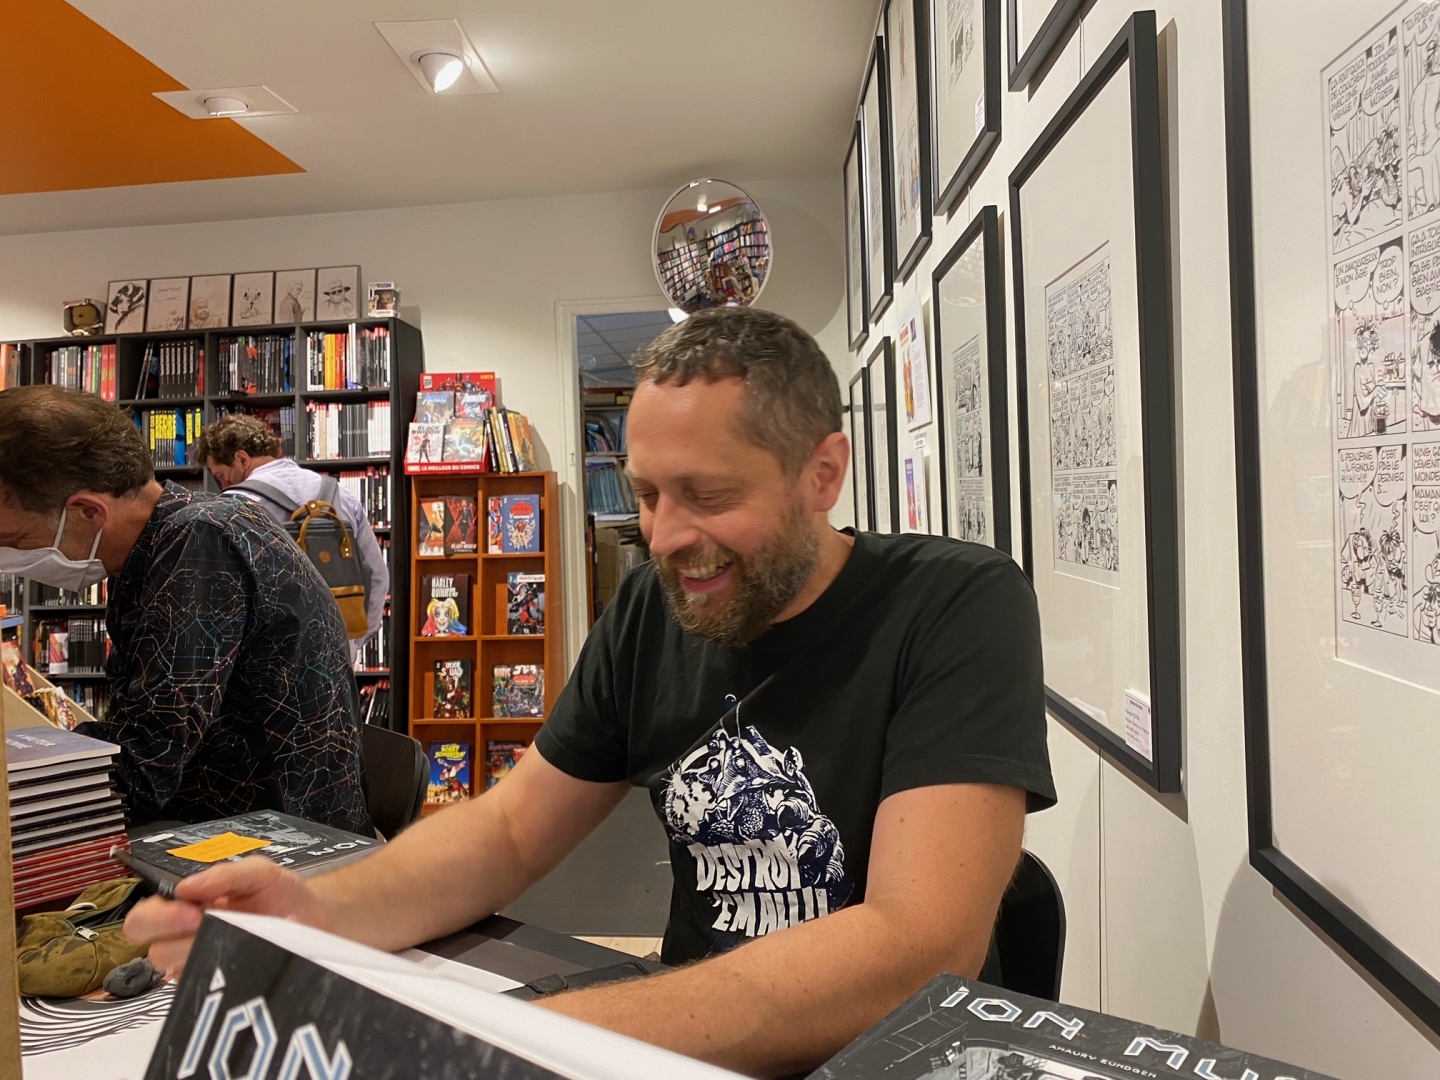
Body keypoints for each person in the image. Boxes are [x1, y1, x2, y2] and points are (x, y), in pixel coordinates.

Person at [127, 309, 1053, 1076]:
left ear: (823, 473)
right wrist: (320, 914)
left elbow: (916, 946)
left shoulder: (956, 602)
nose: (667, 537)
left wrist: (529, 1037)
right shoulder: (654, 608)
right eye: (648, 495)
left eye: (707, 495)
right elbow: (510, 830)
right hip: (686, 1046)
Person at [0, 386, 370, 833]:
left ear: (87, 512)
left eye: (14, 540)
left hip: (276, 841)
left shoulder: (199, 547)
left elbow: (146, 764)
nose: (11, 558)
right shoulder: (182, 533)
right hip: (233, 817)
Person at [196, 413, 389, 661]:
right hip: (337, 653)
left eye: (222, 476)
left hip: (269, 659)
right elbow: (377, 576)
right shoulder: (339, 494)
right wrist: (353, 642)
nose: (223, 485)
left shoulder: (235, 506)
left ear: (242, 459)